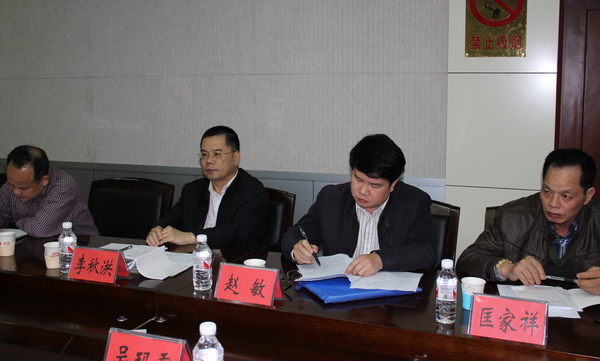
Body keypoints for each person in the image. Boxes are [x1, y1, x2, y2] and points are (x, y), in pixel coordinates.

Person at [280, 134, 437, 277]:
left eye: (374, 185)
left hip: (390, 295)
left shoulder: (414, 202)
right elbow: (295, 233)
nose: (362, 191)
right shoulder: (331, 199)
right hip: (339, 290)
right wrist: (297, 248)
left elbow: (425, 253)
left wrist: (380, 259)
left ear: (393, 185)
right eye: (358, 179)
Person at [457, 148, 600, 295]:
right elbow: (467, 260)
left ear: (588, 195)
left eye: (566, 196)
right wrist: (506, 269)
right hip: (525, 306)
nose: (553, 203)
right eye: (547, 192)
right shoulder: (512, 217)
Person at [146, 126, 268, 249]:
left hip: (235, 257)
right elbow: (174, 218)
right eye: (204, 154)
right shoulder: (192, 189)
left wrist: (191, 237)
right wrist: (158, 229)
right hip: (192, 256)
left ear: (235, 158)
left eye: (217, 154)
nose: (209, 160)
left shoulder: (253, 191)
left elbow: (237, 231)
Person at [0, 145, 98, 238]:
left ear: (44, 180)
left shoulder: (64, 187)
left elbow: (39, 229)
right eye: (11, 184)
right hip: (33, 244)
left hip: (78, 245)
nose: (15, 191)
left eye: (23, 188)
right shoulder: (14, 184)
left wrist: (18, 222)